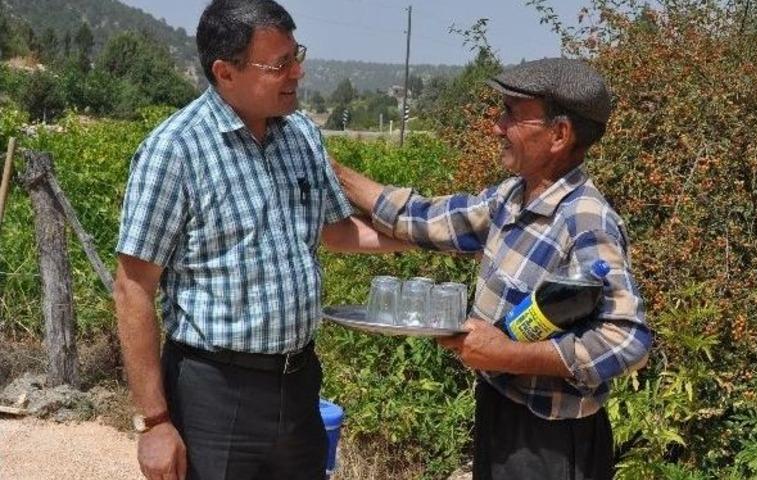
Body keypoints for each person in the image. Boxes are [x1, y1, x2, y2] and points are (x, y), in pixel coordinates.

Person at [113, 1, 407, 479]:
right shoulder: (176, 150)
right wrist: (155, 422)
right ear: (225, 72)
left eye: (297, 56)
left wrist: (421, 238)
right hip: (214, 393)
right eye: (280, 64)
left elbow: (335, 229)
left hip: (298, 384)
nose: (298, 72)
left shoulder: (301, 135)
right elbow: (133, 287)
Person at [333, 58, 652, 480]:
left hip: (549, 444)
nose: (497, 127)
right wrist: (330, 170)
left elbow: (628, 340)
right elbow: (424, 218)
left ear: (559, 134)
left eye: (512, 114)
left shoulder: (585, 220)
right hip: (500, 414)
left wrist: (511, 355)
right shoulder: (511, 199)